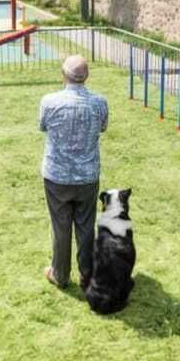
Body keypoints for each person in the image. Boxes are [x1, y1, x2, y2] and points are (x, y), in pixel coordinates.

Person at [38, 54, 108, 290]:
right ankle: (87, 276)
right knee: (86, 226)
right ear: (86, 76)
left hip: (56, 176)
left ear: (63, 75)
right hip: (87, 175)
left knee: (61, 226)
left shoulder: (49, 101)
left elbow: (42, 126)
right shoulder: (99, 103)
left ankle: (60, 274)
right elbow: (103, 127)